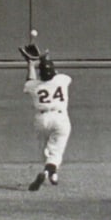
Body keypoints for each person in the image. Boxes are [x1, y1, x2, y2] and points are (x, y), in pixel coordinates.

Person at [24, 54, 72, 191]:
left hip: (41, 120)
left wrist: (31, 64)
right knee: (56, 151)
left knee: (45, 150)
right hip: (60, 118)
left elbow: (30, 79)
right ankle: (47, 172)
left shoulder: (33, 86)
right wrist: (44, 58)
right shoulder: (63, 80)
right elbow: (55, 73)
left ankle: (53, 175)